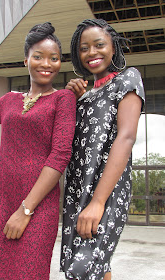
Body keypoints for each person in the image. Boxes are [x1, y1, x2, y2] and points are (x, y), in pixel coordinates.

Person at [0, 22, 76, 280]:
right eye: (38, 57)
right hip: (0, 198)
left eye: (54, 58)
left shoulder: (63, 99)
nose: (46, 64)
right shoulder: (8, 101)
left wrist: (25, 210)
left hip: (39, 205)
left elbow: (60, 156)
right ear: (26, 59)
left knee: (30, 272)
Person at [60, 19, 145, 280]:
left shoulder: (127, 78)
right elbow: (62, 141)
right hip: (76, 190)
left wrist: (98, 202)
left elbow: (126, 138)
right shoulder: (83, 96)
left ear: (113, 47)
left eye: (99, 45)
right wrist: (68, 101)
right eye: (84, 48)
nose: (92, 53)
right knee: (95, 264)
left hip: (106, 191)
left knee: (83, 269)